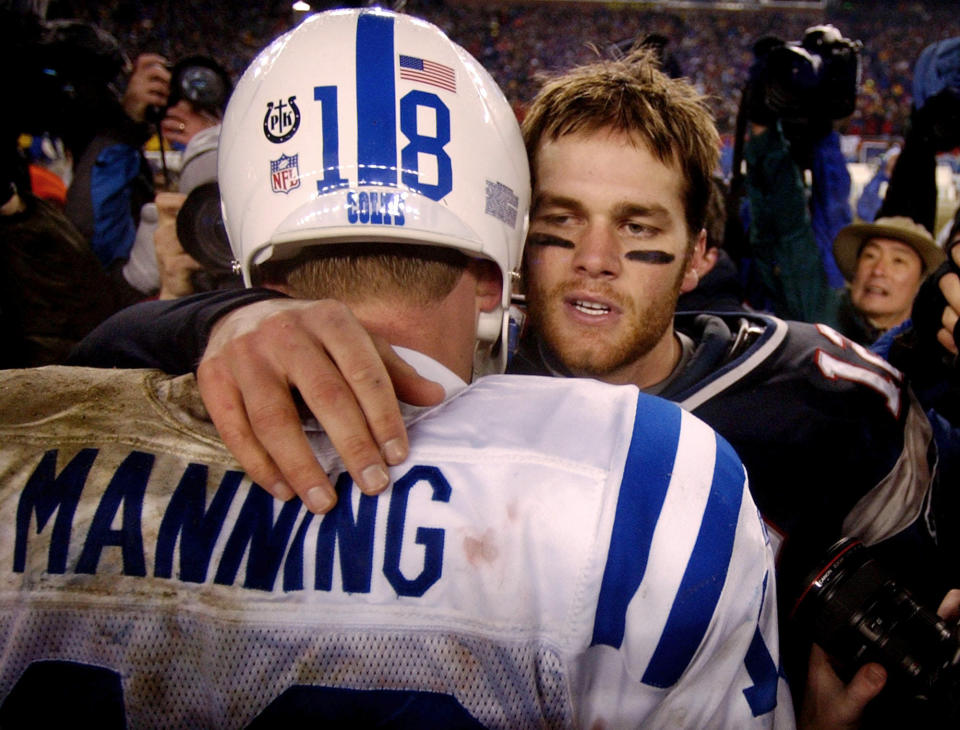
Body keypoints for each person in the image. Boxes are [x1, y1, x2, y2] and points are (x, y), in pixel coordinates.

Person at [70, 38, 952, 721]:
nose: (595, 263)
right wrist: (232, 316)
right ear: (505, 240)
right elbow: (83, 373)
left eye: (637, 225)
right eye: (560, 224)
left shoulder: (826, 390)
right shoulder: (442, 373)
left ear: (699, 259)